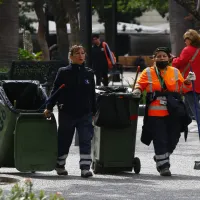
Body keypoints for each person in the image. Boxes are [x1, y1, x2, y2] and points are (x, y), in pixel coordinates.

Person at [132, 47, 194, 176]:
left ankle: (161, 157)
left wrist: (188, 82)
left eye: (164, 56)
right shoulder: (147, 72)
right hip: (155, 114)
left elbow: (183, 89)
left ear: (169, 58)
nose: (161, 58)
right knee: (160, 139)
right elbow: (139, 84)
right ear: (153, 59)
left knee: (174, 138)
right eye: (158, 56)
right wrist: (137, 90)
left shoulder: (175, 71)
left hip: (174, 112)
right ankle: (163, 166)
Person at [44, 45, 96, 178]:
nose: (80, 55)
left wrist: (94, 111)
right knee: (64, 140)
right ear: (71, 57)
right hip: (67, 112)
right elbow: (56, 90)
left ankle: (85, 168)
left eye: (83, 53)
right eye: (77, 53)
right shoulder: (63, 72)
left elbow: (92, 94)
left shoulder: (89, 73)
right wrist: (49, 107)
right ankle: (60, 164)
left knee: (86, 139)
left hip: (85, 113)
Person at [172, 29, 200, 133]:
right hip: (198, 82)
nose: (185, 41)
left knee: (194, 107)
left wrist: (173, 59)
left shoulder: (187, 49)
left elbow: (178, 63)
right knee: (186, 106)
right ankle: (182, 125)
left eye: (186, 39)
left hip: (190, 82)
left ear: (190, 39)